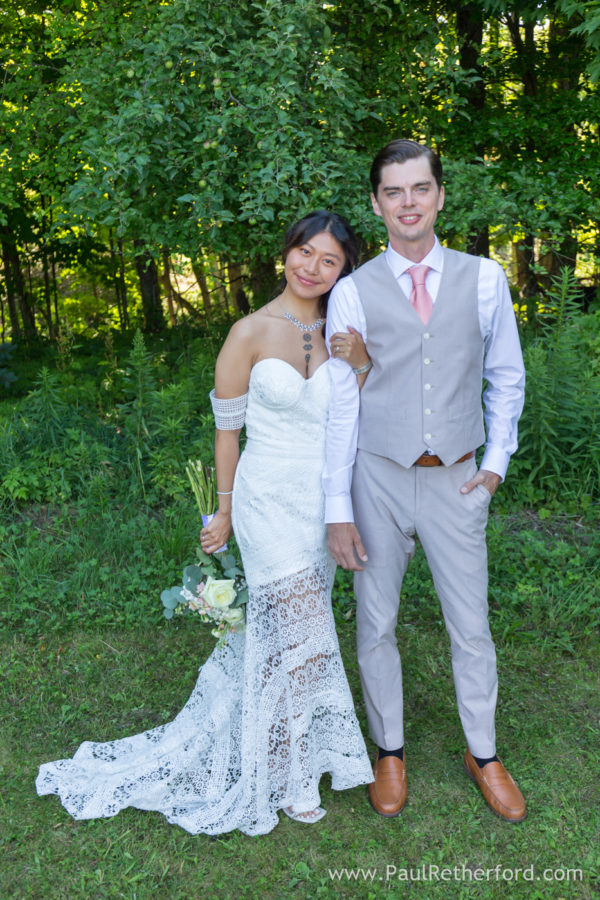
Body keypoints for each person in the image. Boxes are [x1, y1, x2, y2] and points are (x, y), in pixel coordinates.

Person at [36, 210, 373, 835]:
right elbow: (228, 432)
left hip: (323, 501)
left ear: (343, 270)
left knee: (292, 631)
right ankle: (291, 772)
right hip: (266, 497)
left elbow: (356, 413)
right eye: (305, 252)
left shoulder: (344, 331)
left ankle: (279, 748)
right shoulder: (247, 332)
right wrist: (222, 509)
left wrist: (360, 362)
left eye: (329, 260)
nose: (313, 267)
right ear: (287, 252)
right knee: (298, 625)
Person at [324, 140, 527, 823]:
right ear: (377, 203)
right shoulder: (351, 291)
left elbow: (507, 377)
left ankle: (485, 753)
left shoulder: (485, 278)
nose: (407, 202)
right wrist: (337, 507)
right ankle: (389, 749)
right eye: (393, 191)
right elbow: (341, 401)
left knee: (470, 627)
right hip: (375, 478)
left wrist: (495, 465)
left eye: (419, 188)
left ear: (440, 195)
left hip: (458, 480)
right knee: (375, 623)